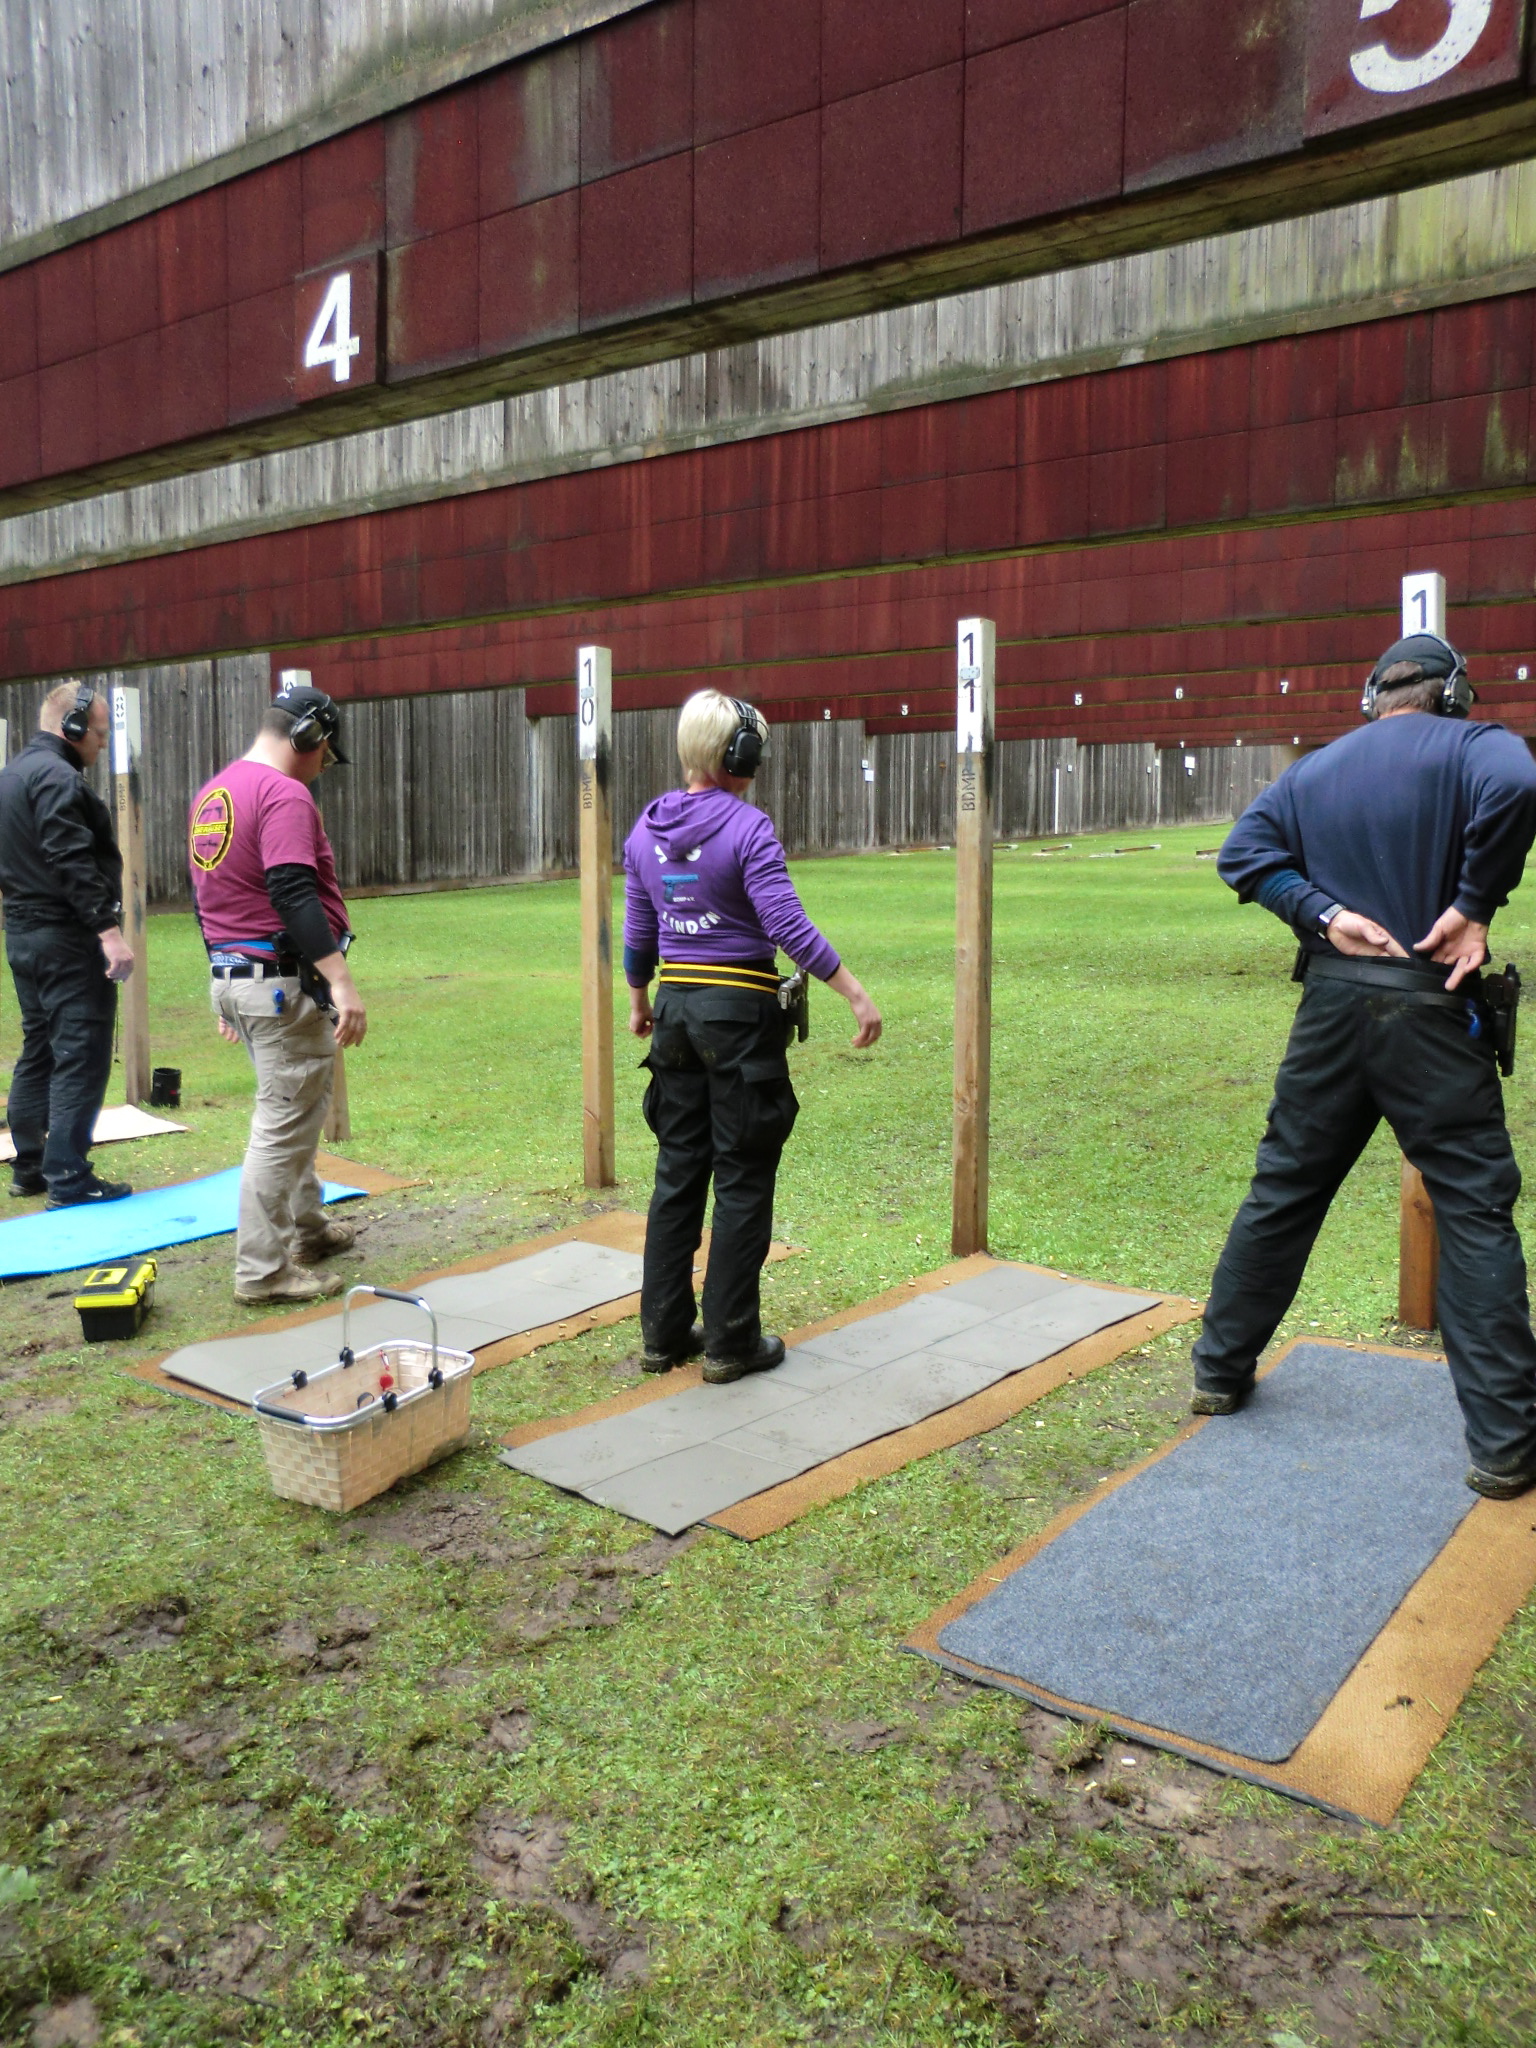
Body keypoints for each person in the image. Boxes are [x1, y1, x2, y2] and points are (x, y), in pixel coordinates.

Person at [1193, 631, 1536, 1498]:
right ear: (1453, 695)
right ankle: (1504, 1446)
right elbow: (1520, 785)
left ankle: (1218, 1373)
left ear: (1374, 699)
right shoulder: (1480, 746)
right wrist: (1474, 903)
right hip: (1431, 1010)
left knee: (1283, 1190)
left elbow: (1243, 854)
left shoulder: (1315, 769)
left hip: (1332, 1011)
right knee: (1473, 1212)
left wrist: (1321, 914)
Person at [624, 690, 882, 1383]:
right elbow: (785, 924)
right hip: (737, 1016)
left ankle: (663, 1335)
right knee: (741, 1175)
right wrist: (854, 993)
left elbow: (640, 930)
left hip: (676, 1012)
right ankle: (730, 1341)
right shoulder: (748, 827)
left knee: (678, 1172)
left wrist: (640, 1000)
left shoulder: (645, 829)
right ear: (738, 755)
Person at [189, 678, 367, 1304]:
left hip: (240, 978)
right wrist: (341, 980)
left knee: (298, 1110)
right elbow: (292, 891)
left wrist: (223, 975)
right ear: (309, 736)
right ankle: (262, 1271)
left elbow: (206, 900)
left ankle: (309, 1228)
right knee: (282, 1123)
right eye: (325, 754)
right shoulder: (283, 794)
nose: (321, 768)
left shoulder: (215, 794)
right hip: (280, 983)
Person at [0, 681, 135, 1207]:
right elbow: (70, 858)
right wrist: (109, 933)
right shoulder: (58, 779)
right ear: (71, 726)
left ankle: (30, 1165)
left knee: (39, 1045)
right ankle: (69, 1176)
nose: (101, 743)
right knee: (81, 1050)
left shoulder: (10, 777)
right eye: (98, 733)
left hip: (24, 935)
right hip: (67, 938)